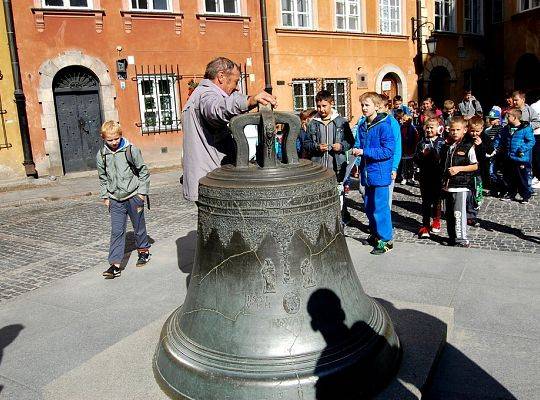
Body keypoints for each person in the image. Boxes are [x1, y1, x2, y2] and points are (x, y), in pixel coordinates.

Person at [181, 57, 277, 201]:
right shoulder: (206, 95)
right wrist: (249, 101)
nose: (237, 87)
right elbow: (217, 109)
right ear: (221, 77)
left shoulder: (198, 94)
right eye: (236, 81)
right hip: (212, 180)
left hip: (208, 178)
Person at [97, 121, 151, 279]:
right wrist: (105, 196)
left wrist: (141, 194)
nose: (114, 143)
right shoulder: (101, 155)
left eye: (116, 139)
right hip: (115, 199)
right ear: (103, 138)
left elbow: (143, 171)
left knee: (138, 226)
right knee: (117, 231)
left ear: (120, 135)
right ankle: (115, 265)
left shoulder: (131, 150)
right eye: (110, 140)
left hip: (133, 195)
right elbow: (102, 178)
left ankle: (143, 252)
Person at [352, 92, 395, 255]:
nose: (363, 108)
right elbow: (360, 147)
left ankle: (386, 240)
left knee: (380, 208)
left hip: (380, 174)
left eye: (367, 105)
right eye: (362, 105)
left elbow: (388, 151)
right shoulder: (363, 125)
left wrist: (364, 152)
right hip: (367, 173)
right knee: (369, 207)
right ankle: (376, 234)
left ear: (377, 107)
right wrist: (357, 161)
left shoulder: (384, 125)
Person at [304, 90, 354, 224]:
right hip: (318, 168)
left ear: (331, 104)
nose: (321, 109)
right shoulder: (312, 123)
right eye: (319, 106)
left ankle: (340, 220)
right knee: (320, 196)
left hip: (336, 167)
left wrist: (341, 146)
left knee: (339, 195)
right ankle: (322, 222)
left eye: (324, 106)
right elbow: (306, 144)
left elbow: (350, 141)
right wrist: (316, 147)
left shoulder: (341, 122)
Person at [440, 116, 478, 247]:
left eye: (457, 129)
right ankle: (452, 237)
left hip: (461, 186)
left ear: (464, 130)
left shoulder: (468, 146)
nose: (454, 132)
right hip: (448, 186)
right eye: (452, 130)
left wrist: (459, 169)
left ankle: (462, 239)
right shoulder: (449, 145)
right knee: (449, 214)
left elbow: (474, 165)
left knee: (458, 214)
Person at [413, 118, 445, 238]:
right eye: (427, 127)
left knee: (437, 200)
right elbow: (416, 159)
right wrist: (422, 155)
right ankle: (425, 225)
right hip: (425, 175)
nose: (429, 130)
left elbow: (444, 158)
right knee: (426, 201)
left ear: (439, 128)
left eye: (432, 127)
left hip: (438, 175)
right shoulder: (421, 143)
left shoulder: (442, 142)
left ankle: (436, 220)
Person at [497, 108, 536, 203]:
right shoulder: (507, 128)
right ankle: (511, 194)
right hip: (509, 157)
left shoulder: (525, 129)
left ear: (515, 118)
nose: (506, 118)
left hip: (521, 158)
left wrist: (522, 149)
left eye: (508, 116)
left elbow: (531, 141)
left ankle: (525, 195)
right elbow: (501, 139)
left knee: (522, 178)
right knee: (510, 177)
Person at [466, 116, 493, 227]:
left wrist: (480, 145)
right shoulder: (465, 138)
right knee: (465, 193)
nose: (474, 133)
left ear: (482, 129)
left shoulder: (485, 138)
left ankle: (472, 216)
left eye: (477, 131)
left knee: (476, 194)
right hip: (465, 169)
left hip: (478, 171)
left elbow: (488, 153)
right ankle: (462, 212)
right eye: (472, 131)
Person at [512, 90, 540, 189]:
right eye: (513, 100)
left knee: (526, 165)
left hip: (525, 143)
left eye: (516, 100)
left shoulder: (529, 110)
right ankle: (515, 186)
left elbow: (537, 122)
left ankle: (528, 188)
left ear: (523, 100)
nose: (514, 102)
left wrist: (527, 128)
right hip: (514, 142)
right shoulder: (512, 111)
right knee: (514, 165)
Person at [379, 94, 402, 208]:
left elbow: (397, 147)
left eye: (380, 107)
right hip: (373, 166)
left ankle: (385, 224)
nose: (378, 110)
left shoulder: (392, 123)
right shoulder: (367, 121)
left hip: (388, 165)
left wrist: (394, 167)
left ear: (386, 107)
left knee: (386, 197)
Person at [484, 108, 505, 197]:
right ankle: (494, 189)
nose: (491, 120)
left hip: (497, 153)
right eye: (490, 119)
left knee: (494, 172)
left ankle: (501, 188)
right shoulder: (489, 129)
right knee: (491, 172)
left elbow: (499, 141)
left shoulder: (501, 129)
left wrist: (496, 150)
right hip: (490, 153)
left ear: (498, 119)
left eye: (493, 119)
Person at [395, 111, 419, 185]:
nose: (404, 122)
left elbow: (416, 139)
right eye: (404, 120)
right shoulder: (401, 128)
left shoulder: (413, 129)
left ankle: (411, 177)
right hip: (404, 149)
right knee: (404, 166)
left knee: (410, 165)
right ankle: (404, 177)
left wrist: (414, 148)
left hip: (410, 150)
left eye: (406, 120)